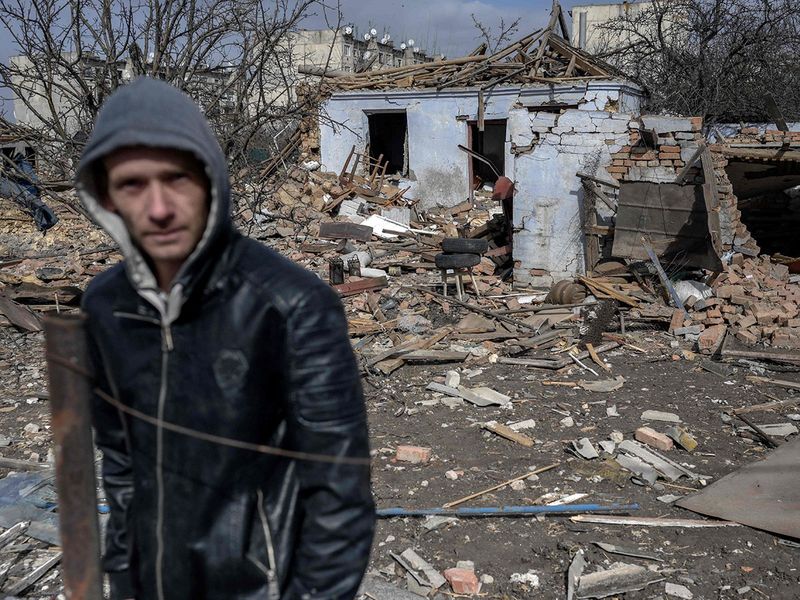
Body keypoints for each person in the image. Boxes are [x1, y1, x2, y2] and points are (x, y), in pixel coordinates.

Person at [75, 77, 375, 600]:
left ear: (210, 179)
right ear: (106, 196)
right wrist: (123, 577)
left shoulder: (290, 305)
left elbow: (340, 495)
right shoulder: (106, 305)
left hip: (259, 587)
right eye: (132, 185)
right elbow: (120, 465)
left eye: (177, 179)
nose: (160, 206)